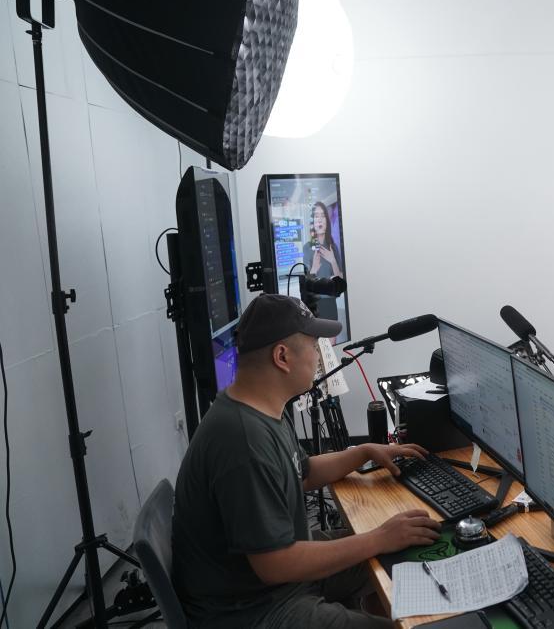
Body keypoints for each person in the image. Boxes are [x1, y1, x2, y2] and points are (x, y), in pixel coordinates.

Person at [172, 294, 441, 628]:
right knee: (387, 555)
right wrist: (379, 537)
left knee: (402, 549)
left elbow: (303, 472)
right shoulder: (243, 440)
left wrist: (363, 452)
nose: (319, 356)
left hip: (271, 583)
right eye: (314, 346)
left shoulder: (261, 406)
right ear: (282, 356)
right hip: (252, 609)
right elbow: (275, 565)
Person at [303, 201, 345, 321]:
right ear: (313, 222)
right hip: (314, 304)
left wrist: (332, 261)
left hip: (331, 303)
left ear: (327, 220)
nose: (320, 220)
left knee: (332, 333)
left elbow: (341, 281)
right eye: (316, 216)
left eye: (323, 216)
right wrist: (314, 268)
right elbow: (305, 284)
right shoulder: (307, 248)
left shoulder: (333, 247)